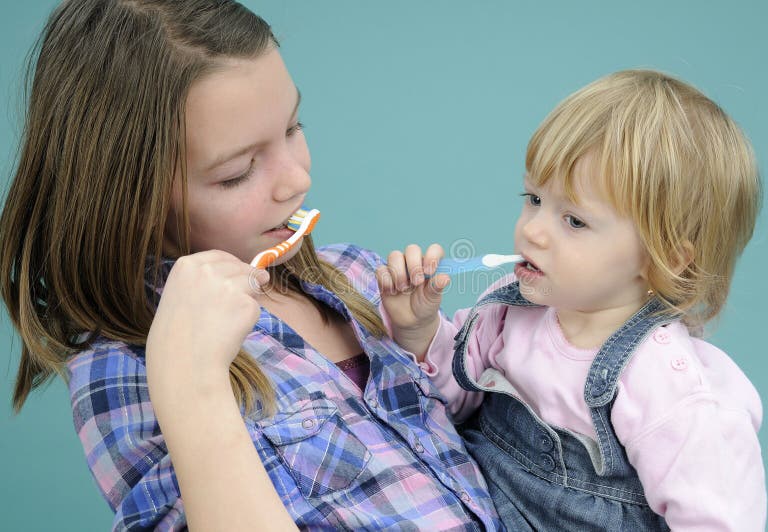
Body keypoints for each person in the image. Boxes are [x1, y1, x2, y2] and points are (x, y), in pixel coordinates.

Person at [0, 1, 503, 530]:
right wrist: (190, 379)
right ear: (130, 197)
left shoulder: (358, 276)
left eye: (293, 127)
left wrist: (423, 342)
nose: (296, 180)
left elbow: (474, 437)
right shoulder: (130, 369)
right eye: (237, 172)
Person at [378, 70, 766, 530]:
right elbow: (449, 407)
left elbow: (715, 519)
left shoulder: (666, 384)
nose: (533, 230)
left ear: (662, 259)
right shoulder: (508, 310)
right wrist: (419, 332)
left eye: (574, 221)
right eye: (534, 198)